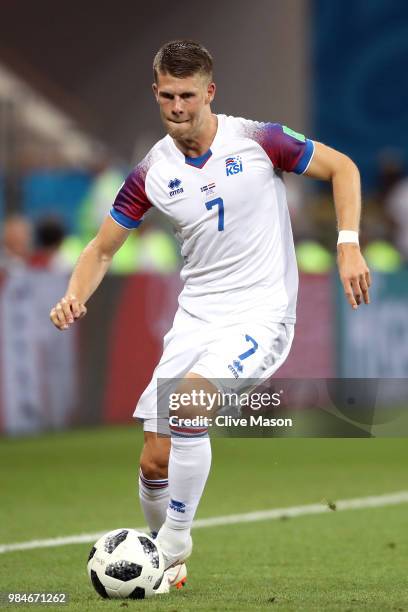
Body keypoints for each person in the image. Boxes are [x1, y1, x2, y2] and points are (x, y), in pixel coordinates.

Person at [50, 40, 371, 593]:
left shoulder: (258, 139)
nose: (177, 107)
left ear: (210, 92)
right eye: (168, 96)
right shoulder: (151, 171)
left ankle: (173, 542)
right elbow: (100, 250)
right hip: (196, 317)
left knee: (190, 401)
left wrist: (348, 244)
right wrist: (74, 293)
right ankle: (167, 569)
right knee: (154, 461)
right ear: (156, 93)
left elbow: (343, 168)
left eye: (188, 96)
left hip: (262, 312)